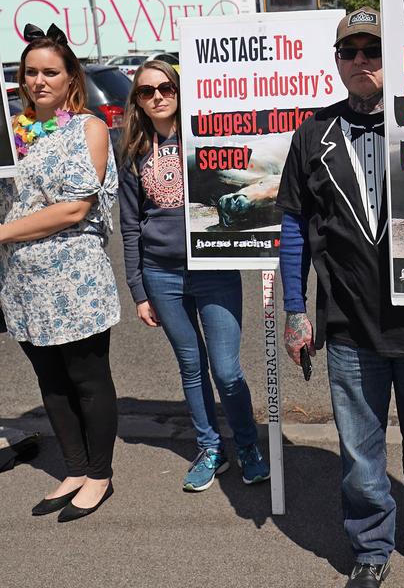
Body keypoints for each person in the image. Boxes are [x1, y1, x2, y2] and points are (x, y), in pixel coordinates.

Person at [276, 8, 404, 588]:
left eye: (373, 50)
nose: (362, 60)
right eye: (350, 52)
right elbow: (293, 224)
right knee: (361, 456)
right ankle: (371, 545)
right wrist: (294, 310)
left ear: (394, 58)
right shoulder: (313, 134)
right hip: (348, 327)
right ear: (337, 63)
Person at [0, 23, 119, 522]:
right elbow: (4, 203)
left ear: (69, 76)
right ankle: (74, 470)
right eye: (30, 72)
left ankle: (99, 476)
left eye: (49, 72)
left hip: (74, 280)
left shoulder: (89, 129)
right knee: (50, 382)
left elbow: (75, 209)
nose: (39, 81)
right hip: (25, 283)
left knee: (87, 379)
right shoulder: (13, 133)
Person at [117, 59, 269, 492]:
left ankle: (247, 445)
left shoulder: (205, 139)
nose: (158, 97)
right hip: (161, 274)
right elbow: (130, 225)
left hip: (214, 268)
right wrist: (138, 289)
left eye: (165, 87)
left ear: (180, 90)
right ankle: (210, 448)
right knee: (191, 366)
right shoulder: (131, 150)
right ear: (138, 101)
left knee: (226, 368)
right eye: (146, 91)